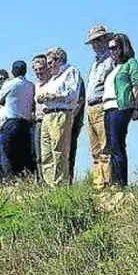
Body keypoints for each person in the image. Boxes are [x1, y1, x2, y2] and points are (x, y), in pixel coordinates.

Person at [37, 47, 84, 186]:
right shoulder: (52, 79)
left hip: (60, 113)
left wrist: (53, 96)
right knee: (46, 153)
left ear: (59, 60)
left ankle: (60, 184)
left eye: (50, 62)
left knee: (59, 151)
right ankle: (50, 184)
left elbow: (72, 94)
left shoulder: (71, 72)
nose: (48, 66)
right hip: (47, 114)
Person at [103, 33, 138, 188]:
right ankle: (114, 182)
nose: (111, 51)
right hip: (107, 108)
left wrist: (135, 107)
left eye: (114, 48)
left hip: (120, 107)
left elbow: (137, 86)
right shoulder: (114, 67)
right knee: (112, 146)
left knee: (117, 144)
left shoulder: (131, 63)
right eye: (109, 49)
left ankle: (120, 183)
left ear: (122, 47)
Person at [85, 25, 116, 189]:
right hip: (91, 107)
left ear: (106, 40)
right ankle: (99, 183)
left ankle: (108, 182)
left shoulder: (110, 61)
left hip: (103, 105)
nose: (95, 45)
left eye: (98, 40)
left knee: (105, 147)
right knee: (95, 148)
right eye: (93, 42)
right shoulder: (96, 63)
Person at [0, 60, 37, 182]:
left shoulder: (10, 84)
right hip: (26, 123)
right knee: (22, 152)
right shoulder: (31, 85)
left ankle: (9, 180)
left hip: (11, 121)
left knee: (6, 153)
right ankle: (23, 179)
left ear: (13, 71)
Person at [32, 54, 52, 180]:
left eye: (41, 68)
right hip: (38, 121)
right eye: (36, 69)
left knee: (51, 153)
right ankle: (41, 181)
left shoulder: (52, 82)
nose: (39, 72)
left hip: (50, 118)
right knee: (39, 154)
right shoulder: (35, 86)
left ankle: (52, 181)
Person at [68, 77, 88, 183]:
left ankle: (68, 181)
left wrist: (70, 117)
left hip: (72, 121)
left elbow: (80, 101)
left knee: (69, 152)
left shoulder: (75, 78)